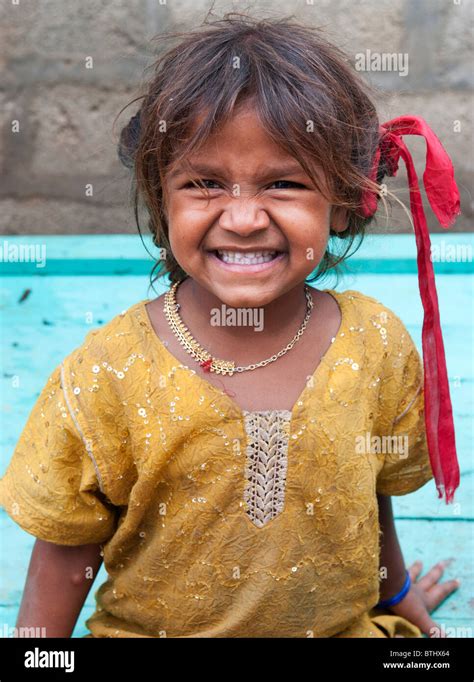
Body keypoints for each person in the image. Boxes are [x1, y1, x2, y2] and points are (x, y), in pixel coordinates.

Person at [0, 14, 462, 638]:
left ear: (346, 200)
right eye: (204, 183)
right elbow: (64, 551)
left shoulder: (374, 344)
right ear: (161, 199)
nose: (243, 218)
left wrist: (398, 594)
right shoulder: (107, 373)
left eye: (285, 183)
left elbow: (367, 492)